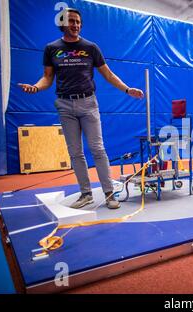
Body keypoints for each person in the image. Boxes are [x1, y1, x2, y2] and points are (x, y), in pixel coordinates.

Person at [19, 8, 144, 210]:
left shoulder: (90, 47)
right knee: (75, 152)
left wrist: (127, 89)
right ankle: (86, 194)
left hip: (88, 104)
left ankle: (109, 193)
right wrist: (35, 87)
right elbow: (47, 78)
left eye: (78, 22)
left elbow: (109, 75)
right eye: (71, 22)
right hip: (65, 105)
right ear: (62, 24)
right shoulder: (52, 48)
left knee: (98, 148)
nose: (75, 25)